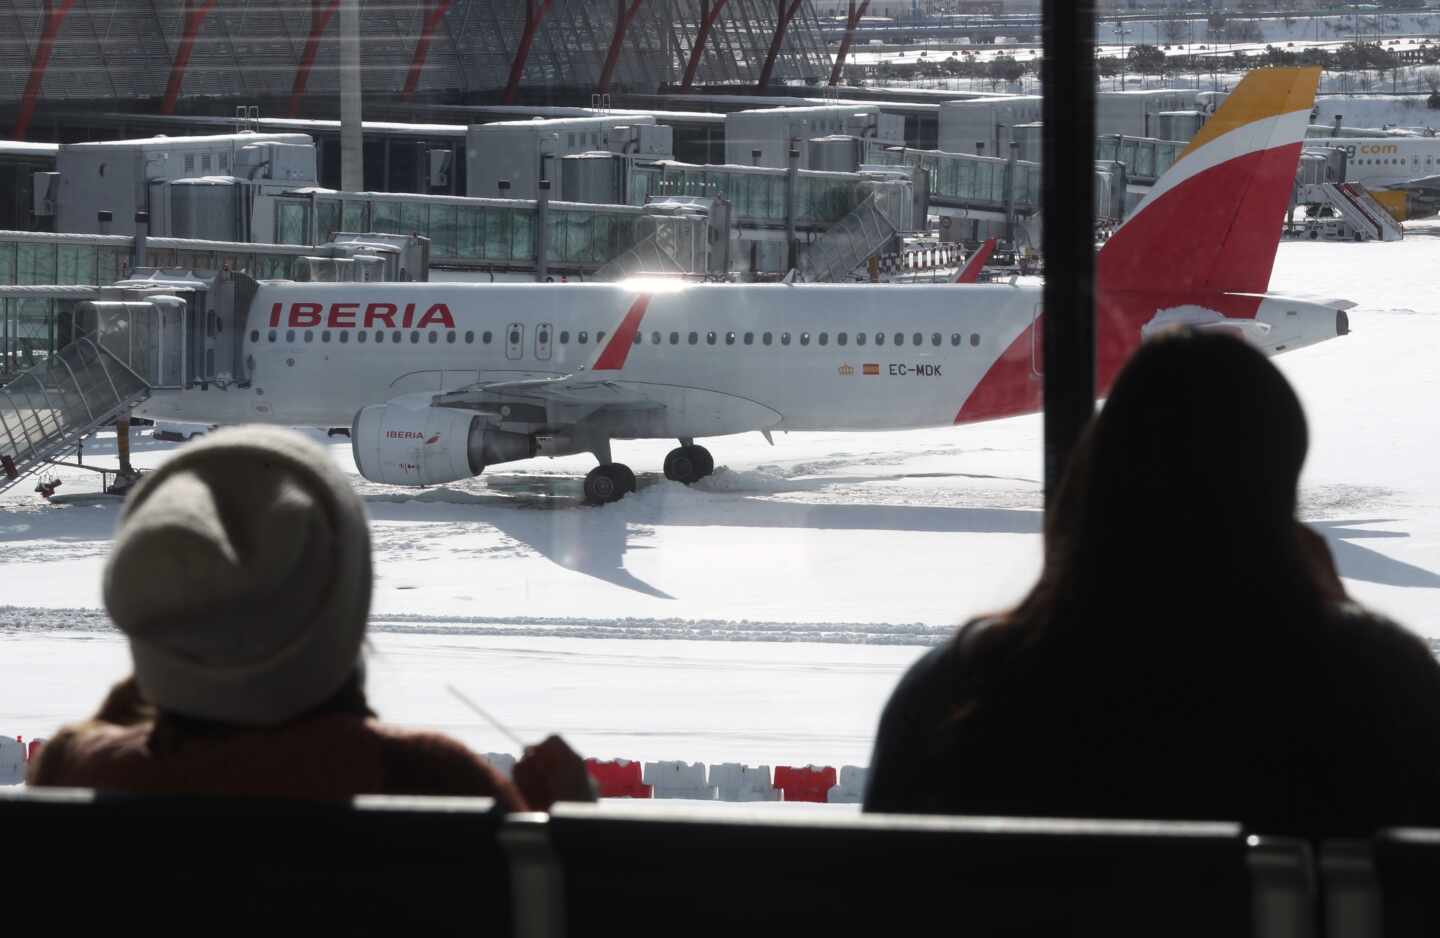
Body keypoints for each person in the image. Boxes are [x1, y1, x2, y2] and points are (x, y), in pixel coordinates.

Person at [864, 330, 1440, 834]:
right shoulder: (1387, 694)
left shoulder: (954, 696)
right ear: (1279, 483)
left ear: (1096, 479)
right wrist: (1342, 622)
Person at [27, 426, 593, 809]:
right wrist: (566, 818)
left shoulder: (72, 772)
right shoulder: (427, 777)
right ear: (343, 603)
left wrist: (179, 650)